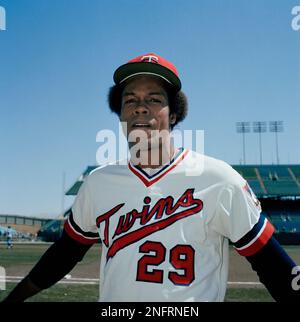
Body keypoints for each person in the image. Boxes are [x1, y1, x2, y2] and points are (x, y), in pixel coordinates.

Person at [3, 53, 299, 302]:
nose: (140, 107)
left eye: (154, 99)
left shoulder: (219, 180)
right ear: (120, 114)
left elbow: (274, 268)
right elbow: (63, 255)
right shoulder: (99, 183)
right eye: (130, 100)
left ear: (174, 114)